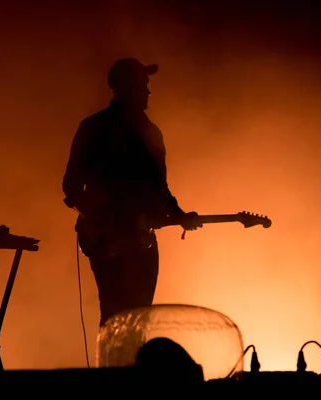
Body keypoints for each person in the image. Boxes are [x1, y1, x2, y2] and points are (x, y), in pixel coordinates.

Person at [62, 58, 202, 327]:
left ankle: (125, 367)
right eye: (143, 86)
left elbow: (159, 188)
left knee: (133, 319)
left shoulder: (144, 131)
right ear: (124, 88)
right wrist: (104, 224)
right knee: (120, 318)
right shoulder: (97, 129)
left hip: (138, 240)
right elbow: (72, 186)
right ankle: (120, 368)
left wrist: (178, 214)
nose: (148, 92)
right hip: (110, 242)